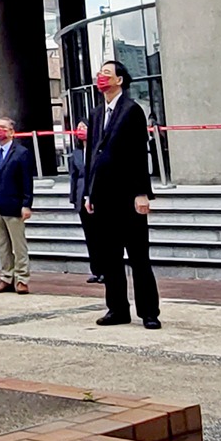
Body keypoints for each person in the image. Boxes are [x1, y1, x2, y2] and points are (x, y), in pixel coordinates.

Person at [84, 60, 160, 329]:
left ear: (119, 80)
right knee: (110, 258)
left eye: (107, 73)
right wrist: (88, 193)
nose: (101, 78)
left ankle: (149, 312)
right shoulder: (95, 114)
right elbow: (91, 154)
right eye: (100, 73)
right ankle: (117, 309)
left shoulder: (132, 110)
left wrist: (142, 193)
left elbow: (140, 154)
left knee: (139, 257)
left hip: (128, 197)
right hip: (102, 198)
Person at [0, 118, 34, 295]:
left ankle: (22, 279)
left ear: (12, 132)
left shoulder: (21, 152)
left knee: (18, 245)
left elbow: (27, 181)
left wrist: (26, 204)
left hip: (14, 205)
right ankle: (6, 277)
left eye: (3, 128)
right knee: (1, 245)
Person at [67, 121, 101, 284]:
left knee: (102, 235)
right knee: (90, 237)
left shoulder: (98, 150)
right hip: (82, 197)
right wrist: (74, 198)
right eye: (79, 128)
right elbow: (73, 177)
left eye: (84, 127)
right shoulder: (77, 153)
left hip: (98, 197)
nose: (81, 130)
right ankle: (96, 270)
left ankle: (107, 271)